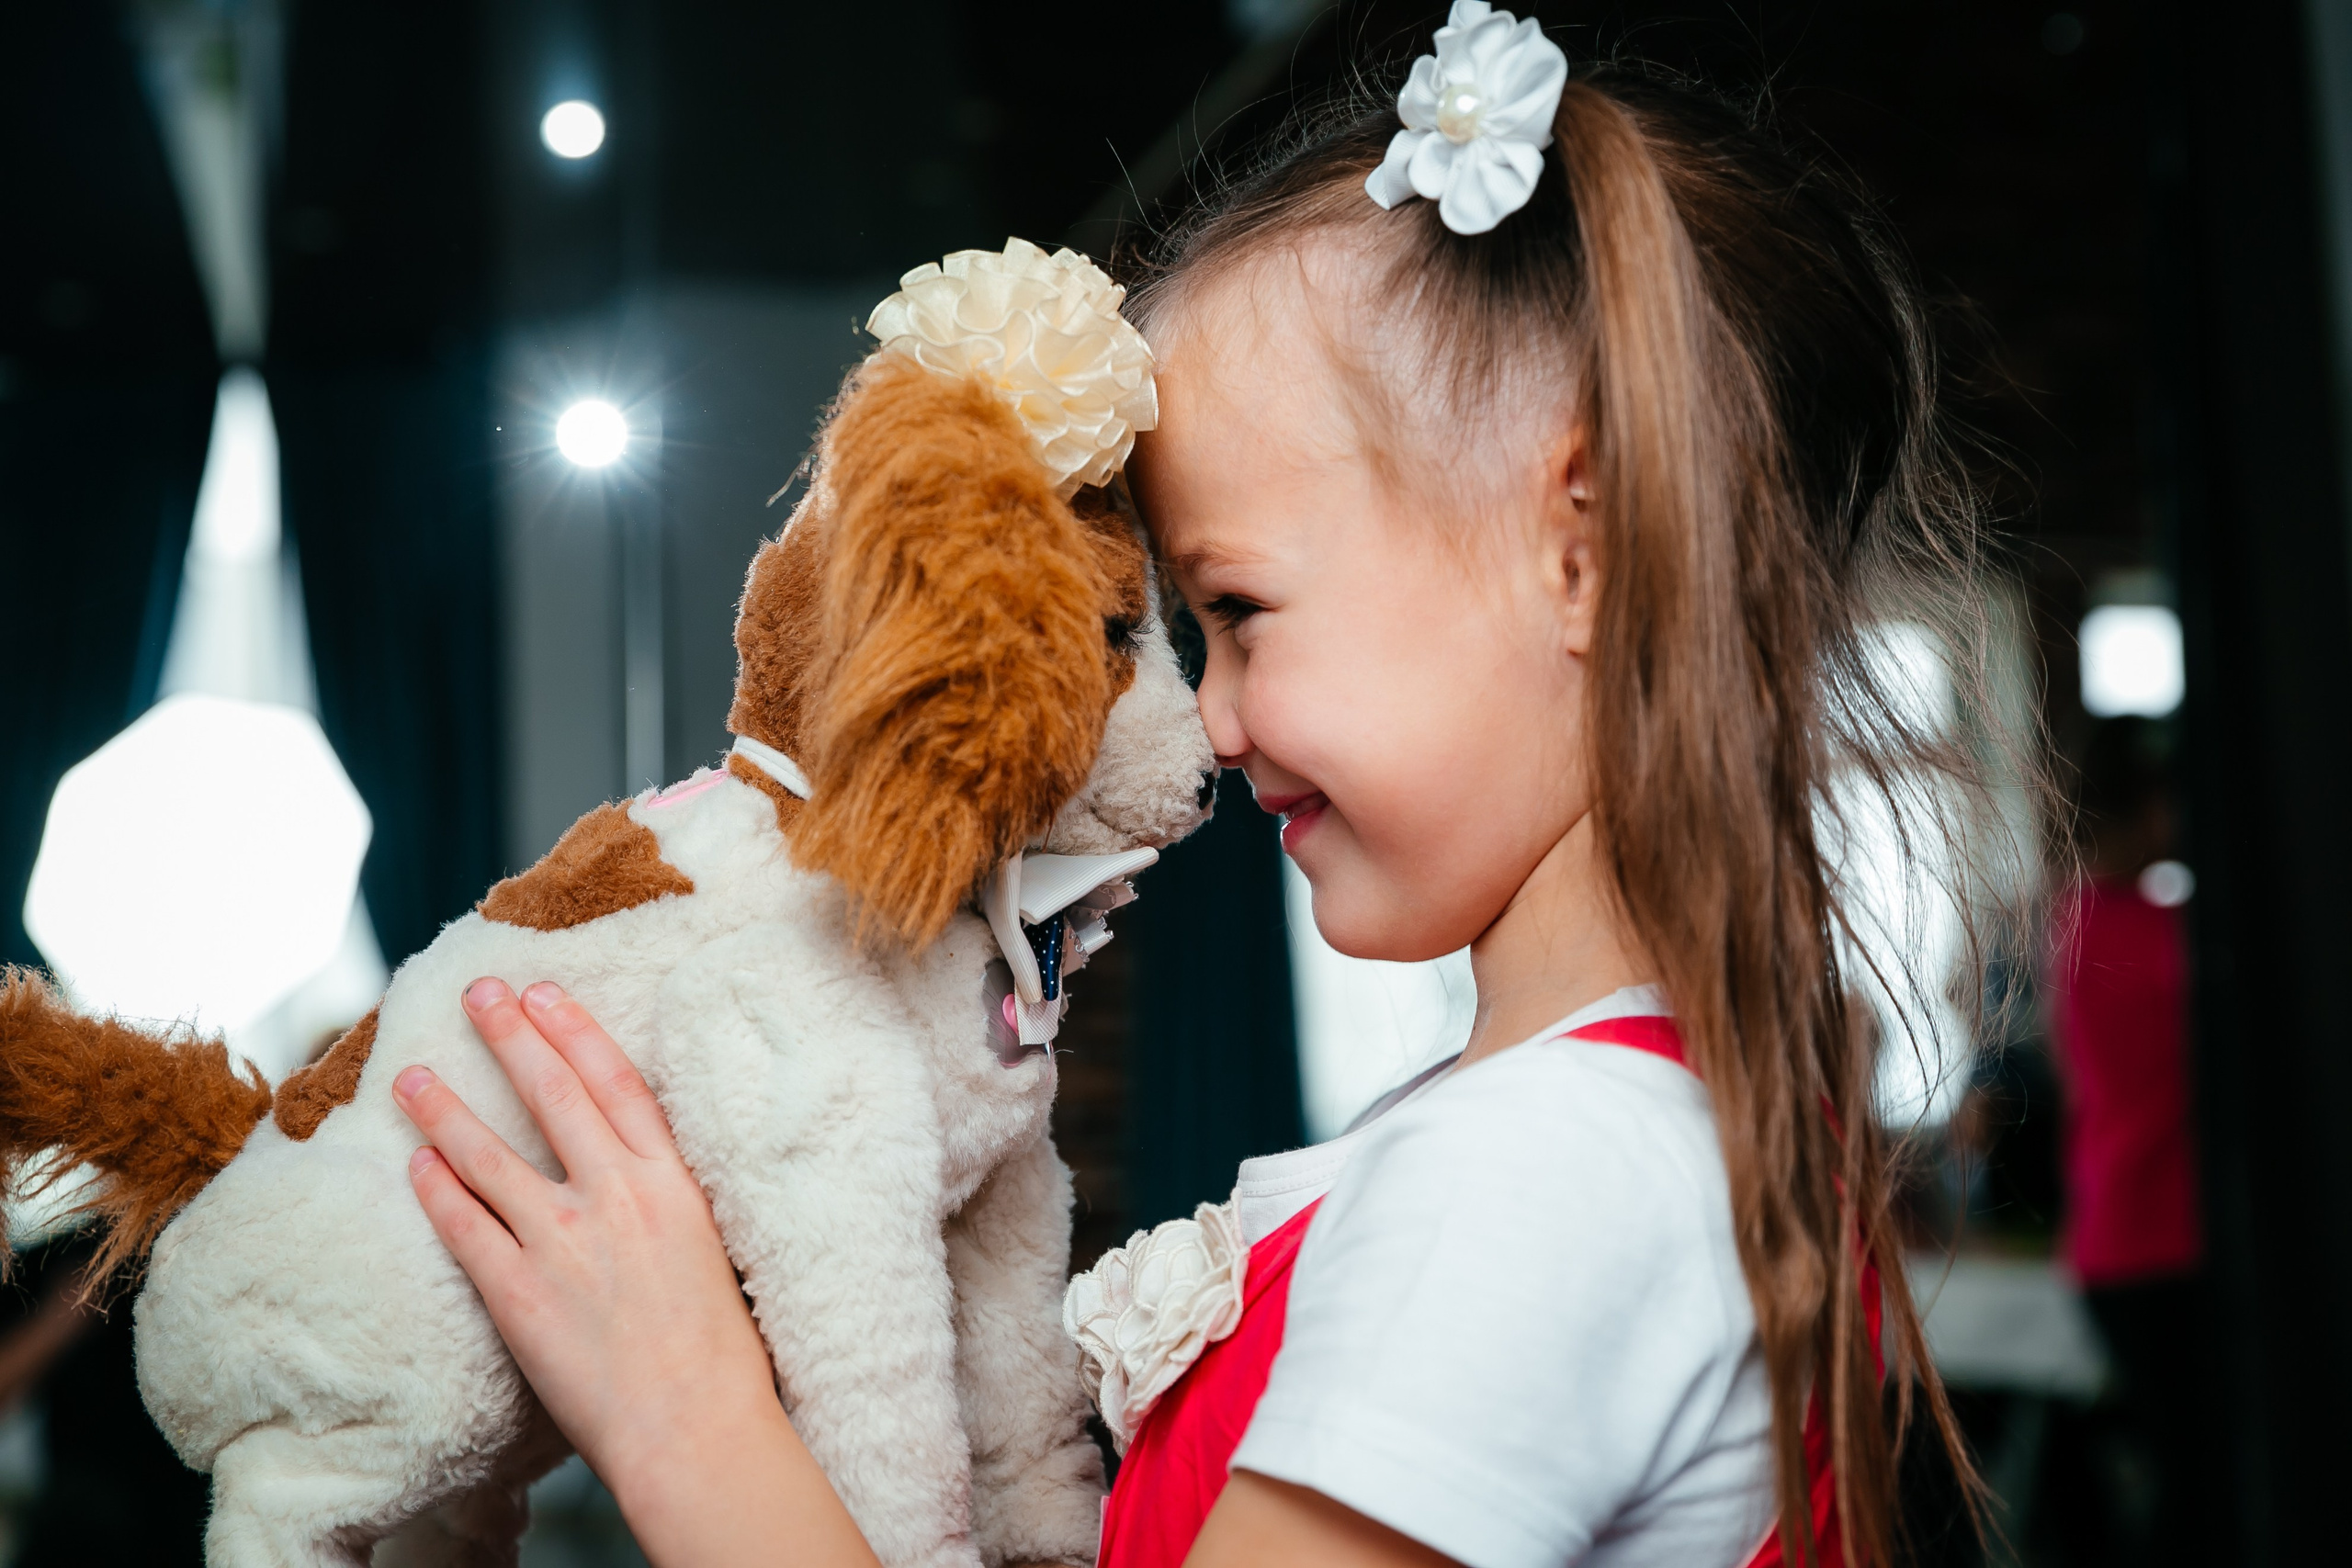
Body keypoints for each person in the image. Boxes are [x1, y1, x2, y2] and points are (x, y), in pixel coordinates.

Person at [388, 9, 2003, 1564]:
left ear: (1580, 551)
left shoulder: (1544, 1176)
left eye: (1237, 611)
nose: (1214, 726)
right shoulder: (1587, 1133)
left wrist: (684, 1416)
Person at [2047, 714, 2209, 1562]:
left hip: (2113, 1237)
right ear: (2148, 809)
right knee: (2201, 1479)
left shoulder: (2071, 919)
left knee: (2181, 1469)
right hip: (2157, 1236)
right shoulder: (2153, 935)